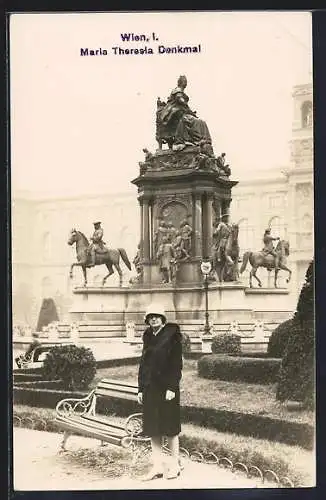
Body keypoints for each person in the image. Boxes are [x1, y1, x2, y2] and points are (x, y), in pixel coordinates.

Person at [137, 303, 183, 481]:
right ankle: (156, 466)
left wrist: (172, 387)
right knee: (153, 429)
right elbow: (143, 365)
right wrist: (141, 388)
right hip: (150, 389)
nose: (153, 319)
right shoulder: (148, 336)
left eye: (156, 316)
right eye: (150, 317)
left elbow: (176, 365)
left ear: (163, 318)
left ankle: (175, 465)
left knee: (170, 429)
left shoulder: (172, 336)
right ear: (147, 320)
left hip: (167, 390)